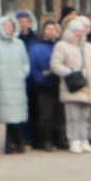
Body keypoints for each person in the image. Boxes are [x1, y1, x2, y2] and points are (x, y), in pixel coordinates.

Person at [49, 15, 91, 153]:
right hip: (73, 86)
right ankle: (74, 140)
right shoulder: (62, 46)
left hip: (89, 86)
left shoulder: (89, 46)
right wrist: (70, 73)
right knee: (73, 116)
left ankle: (84, 140)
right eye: (76, 30)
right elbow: (55, 65)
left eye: (81, 30)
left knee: (85, 116)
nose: (79, 33)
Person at [0, 15, 31, 154]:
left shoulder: (18, 43)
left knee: (16, 114)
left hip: (17, 82)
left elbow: (25, 61)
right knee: (8, 114)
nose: (8, 28)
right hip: (2, 82)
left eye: (11, 26)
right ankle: (15, 142)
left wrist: (22, 73)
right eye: (6, 26)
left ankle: (13, 142)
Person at [27, 20, 62, 150]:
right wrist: (41, 80)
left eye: (54, 29)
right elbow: (33, 68)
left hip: (60, 85)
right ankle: (46, 140)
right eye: (48, 29)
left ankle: (59, 139)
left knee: (60, 115)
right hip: (44, 86)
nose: (51, 31)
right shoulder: (36, 48)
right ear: (43, 31)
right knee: (46, 115)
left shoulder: (60, 46)